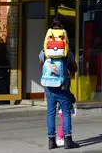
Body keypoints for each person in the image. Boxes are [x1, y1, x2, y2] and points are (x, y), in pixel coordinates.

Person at [39, 18, 78, 149]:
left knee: (51, 112)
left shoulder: (45, 51)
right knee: (66, 112)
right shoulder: (66, 51)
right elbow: (74, 68)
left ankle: (51, 141)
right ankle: (68, 140)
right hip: (63, 86)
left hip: (49, 86)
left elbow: (41, 66)